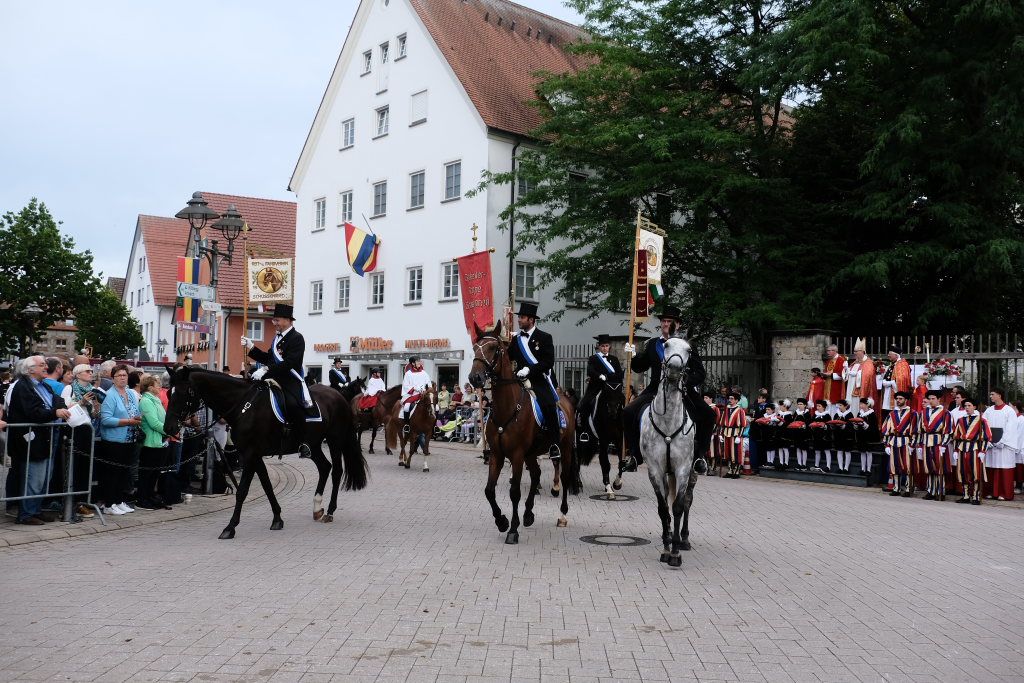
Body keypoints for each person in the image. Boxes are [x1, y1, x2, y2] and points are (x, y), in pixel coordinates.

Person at [622, 304, 713, 473]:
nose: (666, 324)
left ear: (677, 325)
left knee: (709, 414)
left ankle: (700, 456)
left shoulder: (687, 345)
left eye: (669, 321)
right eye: (663, 321)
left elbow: (700, 373)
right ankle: (634, 455)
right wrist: (633, 356)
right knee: (628, 412)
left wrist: (686, 382)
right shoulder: (653, 344)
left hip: (682, 390)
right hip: (655, 390)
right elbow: (640, 367)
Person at [241, 303, 316, 458]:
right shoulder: (276, 339)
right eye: (274, 320)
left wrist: (266, 369)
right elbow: (268, 358)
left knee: (293, 404)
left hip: (290, 379)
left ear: (288, 320)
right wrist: (252, 347)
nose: (274, 323)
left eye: (277, 320)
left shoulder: (297, 338)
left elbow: (290, 363)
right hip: (274, 377)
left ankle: (303, 442)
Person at [6, 356, 71, 524]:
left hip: (48, 437)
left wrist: (60, 408)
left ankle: (35, 509)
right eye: (41, 365)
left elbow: (58, 400)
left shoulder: (44, 385)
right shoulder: (23, 386)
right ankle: (26, 514)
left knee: (44, 477)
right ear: (30, 370)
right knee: (34, 478)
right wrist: (54, 412)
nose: (46, 367)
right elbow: (33, 412)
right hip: (32, 440)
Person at [507, 302, 563, 460]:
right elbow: (508, 358)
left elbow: (548, 362)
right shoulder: (516, 339)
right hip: (519, 379)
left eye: (522, 317)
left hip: (539, 379)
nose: (519, 320)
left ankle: (554, 444)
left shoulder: (544, 337)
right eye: (519, 317)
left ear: (531, 320)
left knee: (549, 404)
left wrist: (529, 370)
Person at [98, 364, 141, 515]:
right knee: (112, 474)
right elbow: (106, 420)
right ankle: (109, 503)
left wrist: (137, 418)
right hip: (114, 441)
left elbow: (135, 411)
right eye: (119, 375)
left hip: (130, 438)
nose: (122, 378)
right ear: (113, 378)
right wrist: (128, 421)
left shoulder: (130, 393)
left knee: (124, 473)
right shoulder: (110, 395)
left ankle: (119, 500)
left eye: (124, 375)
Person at [60, 363, 101, 518]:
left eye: (91, 371)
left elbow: (94, 414)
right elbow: (64, 408)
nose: (90, 373)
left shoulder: (92, 390)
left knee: (85, 466)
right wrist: (81, 402)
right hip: (74, 429)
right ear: (78, 374)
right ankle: (71, 503)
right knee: (73, 466)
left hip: (87, 428)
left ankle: (82, 501)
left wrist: (96, 407)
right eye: (87, 371)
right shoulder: (69, 388)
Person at [577, 334, 623, 441]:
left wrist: (607, 376)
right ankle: (584, 430)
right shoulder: (593, 358)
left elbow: (619, 374)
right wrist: (599, 376)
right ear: (599, 346)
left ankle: (622, 429)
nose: (605, 348)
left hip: (611, 389)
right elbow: (590, 371)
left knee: (623, 403)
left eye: (606, 346)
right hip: (596, 388)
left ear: (609, 346)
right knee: (584, 404)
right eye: (602, 346)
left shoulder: (614, 359)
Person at [137, 374, 171, 510]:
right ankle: (142, 499)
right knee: (147, 473)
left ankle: (150, 495)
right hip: (150, 442)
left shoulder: (156, 400)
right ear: (150, 387)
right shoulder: (146, 401)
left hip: (160, 441)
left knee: (155, 473)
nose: (160, 387)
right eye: (157, 385)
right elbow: (153, 423)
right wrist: (168, 431)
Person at [981, 388, 1018, 501]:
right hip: (991, 444)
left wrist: (1002, 441)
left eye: (992, 394)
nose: (990, 396)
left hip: (1004, 446)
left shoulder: (1009, 411)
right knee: (990, 467)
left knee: (1004, 468)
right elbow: (984, 425)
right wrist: (987, 440)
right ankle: (991, 492)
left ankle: (1004, 493)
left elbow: (1011, 428)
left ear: (999, 395)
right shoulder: (989, 410)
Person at [953, 398, 991, 505]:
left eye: (969, 405)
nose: (967, 408)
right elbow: (956, 436)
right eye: (965, 406)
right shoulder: (960, 420)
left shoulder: (982, 420)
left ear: (974, 407)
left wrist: (983, 451)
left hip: (975, 448)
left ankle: (976, 496)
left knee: (975, 472)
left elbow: (987, 437)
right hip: (962, 448)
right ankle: (965, 495)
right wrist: (955, 450)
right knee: (963, 472)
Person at [882, 391, 918, 497]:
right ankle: (896, 488)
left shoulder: (912, 413)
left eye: (900, 399)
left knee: (907, 466)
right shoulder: (891, 414)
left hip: (906, 441)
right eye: (897, 399)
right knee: (895, 465)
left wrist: (912, 445)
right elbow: (886, 429)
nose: (898, 400)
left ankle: (908, 488)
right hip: (894, 441)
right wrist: (886, 445)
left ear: (906, 400)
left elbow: (915, 430)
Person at [919, 389, 952, 500]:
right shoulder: (924, 412)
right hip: (926, 441)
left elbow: (948, 430)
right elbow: (920, 429)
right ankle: (931, 490)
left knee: (939, 467)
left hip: (938, 442)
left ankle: (940, 491)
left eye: (933, 399)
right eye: (929, 399)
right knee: (929, 467)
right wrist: (920, 443)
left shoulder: (945, 413)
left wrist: (944, 444)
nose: (931, 401)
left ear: (939, 399)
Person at [844, 338, 879, 417]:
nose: (854, 353)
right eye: (854, 351)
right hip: (851, 390)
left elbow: (868, 375)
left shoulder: (868, 363)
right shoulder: (855, 362)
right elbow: (847, 374)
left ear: (862, 352)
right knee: (852, 408)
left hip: (859, 390)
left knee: (858, 407)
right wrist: (846, 370)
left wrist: (856, 374)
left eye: (856, 351)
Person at [719, 392, 747, 478]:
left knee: (736, 453)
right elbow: (722, 423)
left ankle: (736, 471)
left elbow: (743, 424)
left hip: (735, 434)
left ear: (736, 400)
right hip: (726, 433)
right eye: (729, 398)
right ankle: (730, 470)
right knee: (727, 453)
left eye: (732, 399)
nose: (730, 400)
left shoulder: (740, 410)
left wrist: (739, 436)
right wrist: (720, 434)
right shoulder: (726, 409)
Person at [400, 357, 431, 431]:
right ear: (413, 363)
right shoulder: (408, 374)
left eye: (419, 361)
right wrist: (414, 388)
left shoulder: (424, 373)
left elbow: (429, 384)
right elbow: (405, 386)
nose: (419, 363)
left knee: (435, 406)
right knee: (406, 407)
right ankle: (407, 424)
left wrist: (426, 391)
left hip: (423, 394)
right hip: (412, 395)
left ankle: (435, 425)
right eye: (418, 361)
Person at [880, 345, 912, 417]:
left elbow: (902, 379)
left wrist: (891, 383)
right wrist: (885, 381)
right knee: (886, 410)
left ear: (896, 355)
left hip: (895, 392)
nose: (888, 355)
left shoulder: (902, 365)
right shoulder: (892, 364)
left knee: (894, 411)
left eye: (890, 354)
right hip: (887, 391)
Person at [852, 397, 879, 477]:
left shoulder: (872, 414)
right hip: (861, 435)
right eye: (860, 404)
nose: (860, 405)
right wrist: (856, 425)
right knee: (862, 452)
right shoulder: (860, 413)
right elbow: (857, 423)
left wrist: (864, 424)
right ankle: (863, 469)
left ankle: (868, 469)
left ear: (867, 405)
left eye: (862, 404)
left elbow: (874, 427)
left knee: (868, 452)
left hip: (869, 436)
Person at [809, 399, 833, 472]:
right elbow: (811, 423)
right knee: (817, 451)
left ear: (824, 407)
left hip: (825, 436)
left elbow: (830, 426)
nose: (818, 407)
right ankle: (816, 465)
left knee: (827, 451)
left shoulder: (827, 415)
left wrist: (825, 426)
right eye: (817, 406)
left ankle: (828, 466)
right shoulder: (815, 415)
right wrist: (812, 426)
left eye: (819, 406)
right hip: (817, 436)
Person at [822, 344, 847, 414]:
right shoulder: (829, 360)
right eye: (827, 351)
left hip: (836, 386)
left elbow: (843, 374)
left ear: (835, 351)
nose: (827, 352)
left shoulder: (841, 360)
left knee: (834, 405)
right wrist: (823, 374)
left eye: (829, 351)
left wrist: (831, 375)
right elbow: (826, 371)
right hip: (827, 385)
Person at [832, 399, 855, 473]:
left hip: (847, 436)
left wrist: (844, 426)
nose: (839, 407)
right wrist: (834, 425)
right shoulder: (837, 414)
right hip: (839, 436)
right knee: (839, 451)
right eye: (838, 405)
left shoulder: (849, 414)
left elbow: (851, 425)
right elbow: (834, 423)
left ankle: (846, 468)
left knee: (847, 452)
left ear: (845, 406)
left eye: (841, 405)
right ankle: (840, 467)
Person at [789, 398, 811, 469]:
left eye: (801, 404)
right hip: (797, 433)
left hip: (804, 434)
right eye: (798, 404)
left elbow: (808, 423)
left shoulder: (807, 413)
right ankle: (799, 463)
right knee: (798, 448)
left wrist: (803, 425)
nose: (799, 405)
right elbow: (793, 421)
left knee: (804, 449)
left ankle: (804, 464)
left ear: (805, 405)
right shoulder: (796, 413)